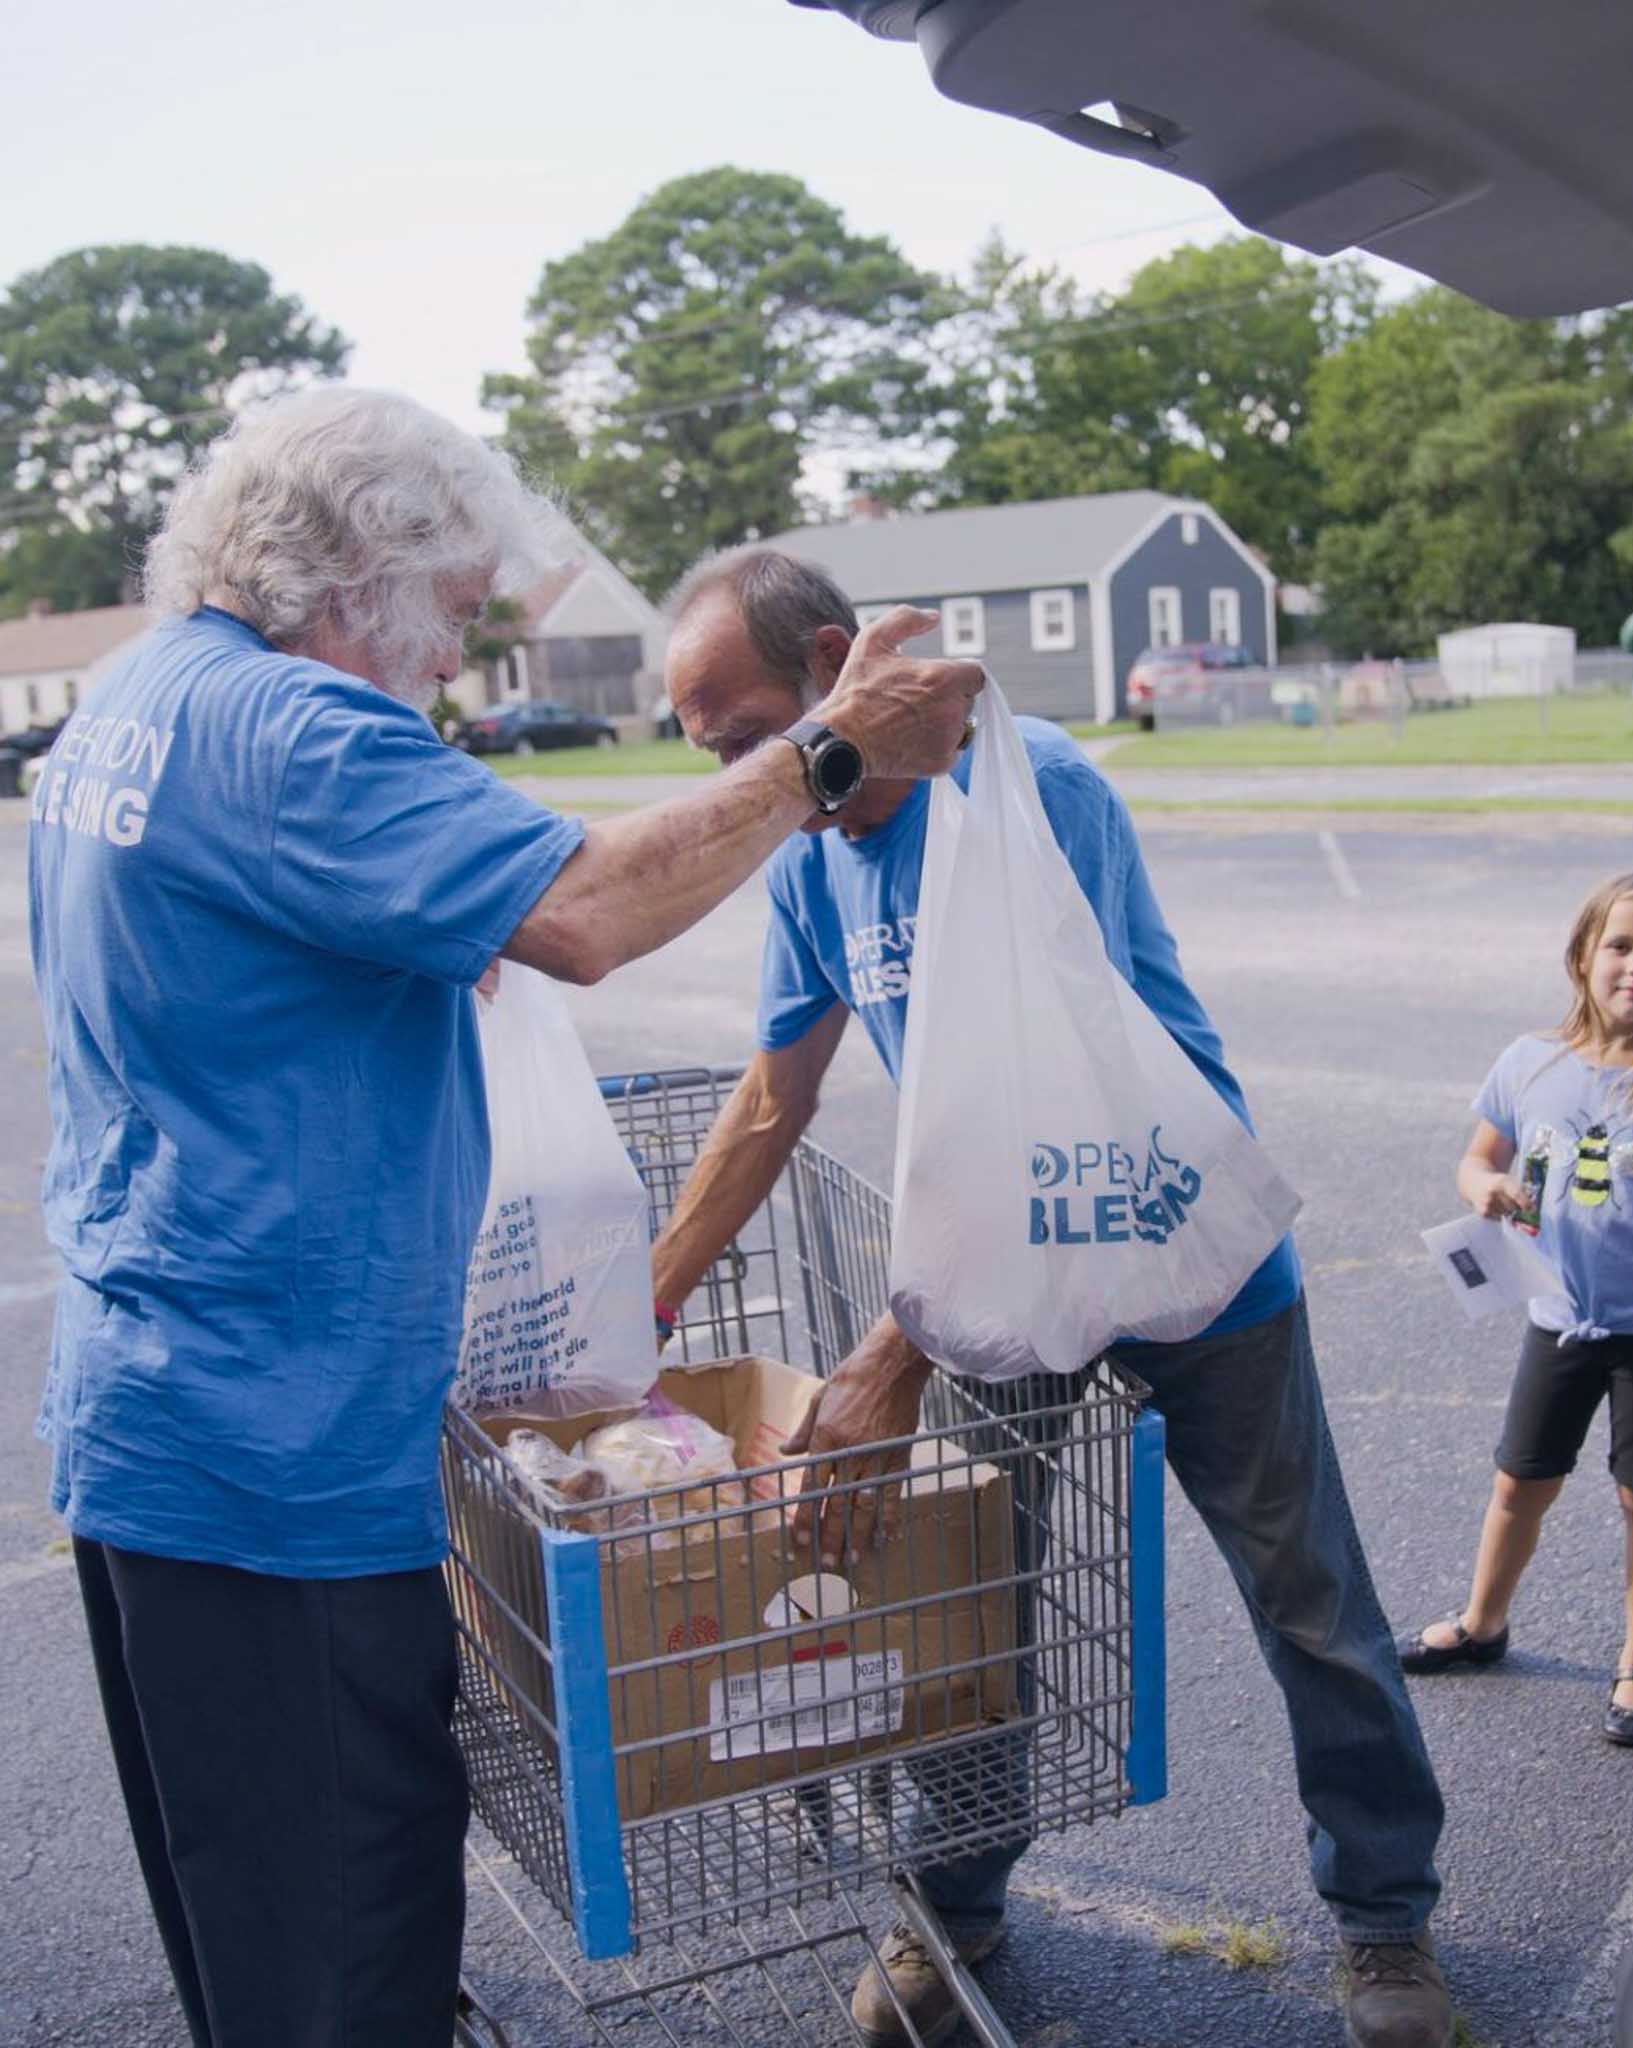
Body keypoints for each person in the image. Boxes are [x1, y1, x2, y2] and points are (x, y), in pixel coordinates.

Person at [29, 386, 982, 2048]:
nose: (457, 658)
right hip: (283, 1452)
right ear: (353, 582)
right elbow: (586, 908)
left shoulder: (135, 699)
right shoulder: (299, 732)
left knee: (255, 1919)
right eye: (457, 612)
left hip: (152, 1414)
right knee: (346, 1934)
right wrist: (828, 748)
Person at [650, 546, 1452, 2048]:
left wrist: (894, 1353)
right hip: (991, 1279)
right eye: (714, 759)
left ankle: (1386, 1921)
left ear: (837, 663)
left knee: (1311, 1600)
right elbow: (774, 1094)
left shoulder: (1027, 792)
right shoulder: (812, 852)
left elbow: (1045, 1097)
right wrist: (645, 1305)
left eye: (753, 736)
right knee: (965, 1607)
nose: (752, 779)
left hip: (1175, 1244)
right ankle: (951, 1910)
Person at [1398, 874, 1633, 1746]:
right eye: (1621, 946)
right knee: (1521, 1479)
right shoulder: (1529, 1063)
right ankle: (1483, 1623)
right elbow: (1475, 1163)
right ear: (1582, 956)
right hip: (1557, 1320)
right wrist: (1489, 1188)